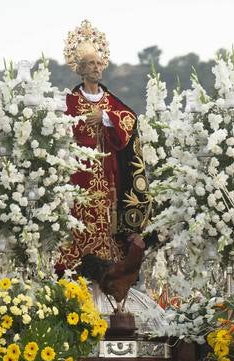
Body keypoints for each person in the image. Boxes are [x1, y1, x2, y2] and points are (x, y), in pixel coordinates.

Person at [57, 18, 151, 299]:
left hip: (110, 177)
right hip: (80, 178)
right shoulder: (70, 102)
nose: (96, 68)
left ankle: (110, 278)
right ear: (81, 69)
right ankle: (82, 278)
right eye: (90, 64)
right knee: (79, 223)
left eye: (99, 64)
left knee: (107, 226)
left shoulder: (110, 102)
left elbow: (130, 120)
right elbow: (61, 131)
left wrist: (107, 118)